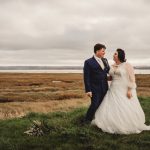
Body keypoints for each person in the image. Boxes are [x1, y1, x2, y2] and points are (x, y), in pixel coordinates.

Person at [92, 49, 150, 134]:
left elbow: (132, 78)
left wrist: (129, 90)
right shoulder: (112, 65)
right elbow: (111, 77)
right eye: (114, 54)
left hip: (124, 88)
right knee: (111, 105)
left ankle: (127, 123)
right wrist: (100, 78)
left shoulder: (127, 65)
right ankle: (111, 122)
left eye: (115, 54)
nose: (113, 55)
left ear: (120, 55)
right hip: (113, 88)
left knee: (125, 105)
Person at [83, 43, 110, 123]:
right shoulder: (88, 62)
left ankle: (98, 120)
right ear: (97, 51)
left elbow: (107, 71)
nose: (104, 53)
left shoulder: (105, 60)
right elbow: (86, 77)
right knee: (94, 104)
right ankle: (87, 121)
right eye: (103, 51)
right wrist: (88, 90)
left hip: (105, 87)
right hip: (94, 88)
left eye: (104, 51)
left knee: (102, 105)